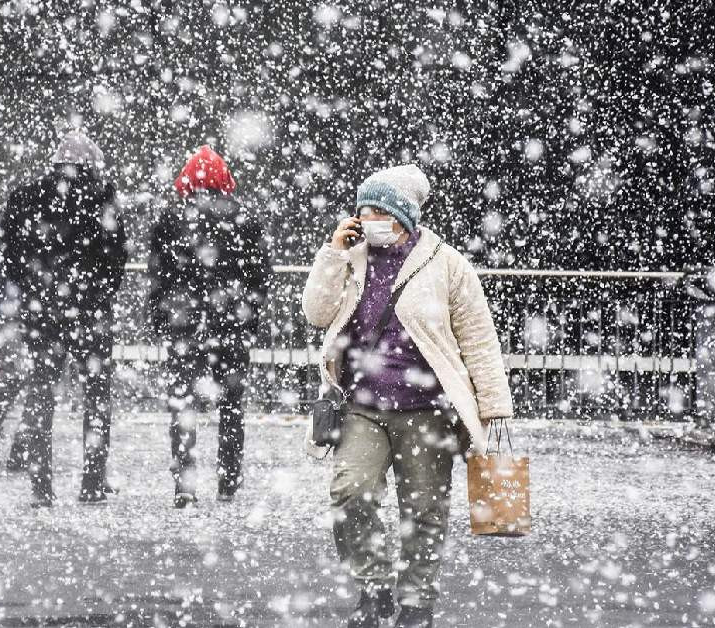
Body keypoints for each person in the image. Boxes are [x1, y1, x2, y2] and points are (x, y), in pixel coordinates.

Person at [301, 164, 514, 628]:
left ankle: (417, 603)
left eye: (379, 210)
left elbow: (478, 338)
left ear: (404, 213)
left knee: (423, 511)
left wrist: (494, 406)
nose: (370, 219)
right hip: (361, 405)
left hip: (426, 410)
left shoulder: (447, 264)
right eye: (364, 211)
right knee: (350, 493)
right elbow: (316, 314)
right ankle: (373, 589)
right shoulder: (352, 258)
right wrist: (331, 253)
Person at [0, 130, 128, 506]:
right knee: (97, 396)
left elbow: (7, 250)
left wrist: (31, 288)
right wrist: (98, 292)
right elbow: (116, 255)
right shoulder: (103, 198)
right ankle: (91, 480)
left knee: (42, 392)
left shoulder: (26, 197)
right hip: (90, 312)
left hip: (42, 312)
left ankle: (41, 485)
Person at [146, 145, 270, 508]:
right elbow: (260, 276)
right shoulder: (244, 218)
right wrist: (248, 315)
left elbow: (158, 276)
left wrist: (162, 317)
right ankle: (228, 480)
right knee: (231, 405)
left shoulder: (170, 218)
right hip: (231, 325)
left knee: (183, 404)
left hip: (184, 328)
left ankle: (185, 482)